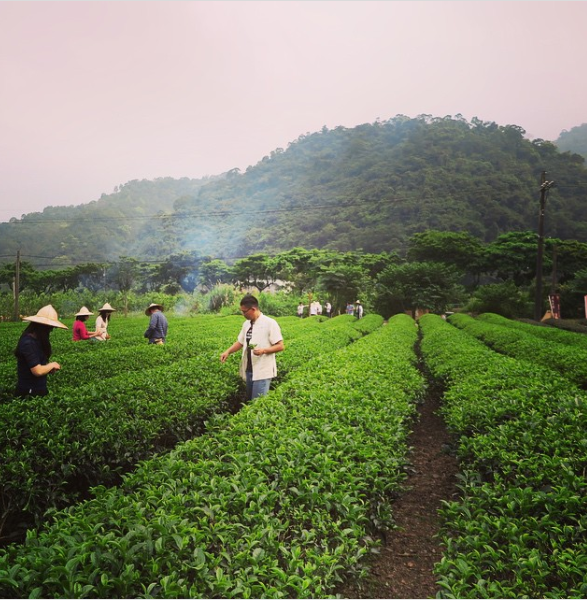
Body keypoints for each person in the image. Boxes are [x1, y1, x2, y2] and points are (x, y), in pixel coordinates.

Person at [220, 294, 284, 401]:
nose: (243, 314)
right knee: (250, 401)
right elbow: (240, 342)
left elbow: (280, 346)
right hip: (249, 370)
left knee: (257, 402)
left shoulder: (270, 323)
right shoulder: (246, 324)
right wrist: (227, 351)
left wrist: (264, 350)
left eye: (244, 312)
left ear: (253, 309)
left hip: (262, 371)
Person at [14, 304, 68, 398]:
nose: (51, 330)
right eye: (50, 328)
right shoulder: (28, 343)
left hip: (38, 388)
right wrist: (52, 365)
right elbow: (37, 371)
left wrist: (47, 369)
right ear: (42, 327)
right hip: (29, 392)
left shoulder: (37, 340)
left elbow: (37, 366)